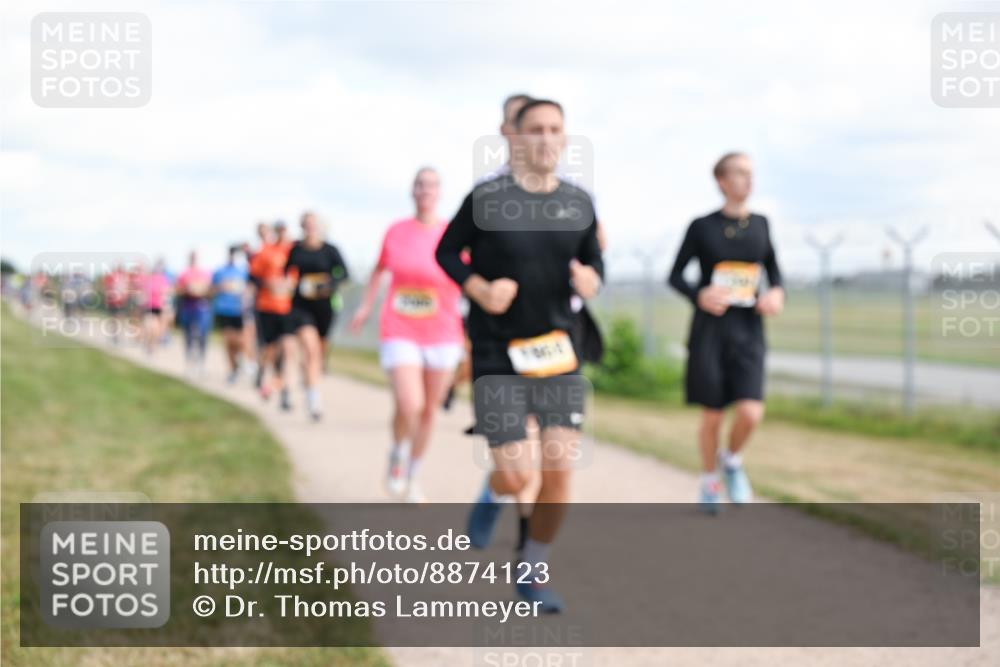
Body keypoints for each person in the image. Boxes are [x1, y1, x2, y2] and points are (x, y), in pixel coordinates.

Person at [436, 99, 603, 612]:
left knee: (558, 474)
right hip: (496, 353)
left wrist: (592, 279)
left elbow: (594, 263)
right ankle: (494, 492)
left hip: (557, 354)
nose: (546, 138)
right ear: (513, 136)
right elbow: (446, 253)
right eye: (535, 129)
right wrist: (479, 288)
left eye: (556, 129)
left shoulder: (579, 202)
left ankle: (531, 567)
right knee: (516, 474)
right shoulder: (486, 198)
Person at [667, 152, 784, 515]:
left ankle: (731, 460)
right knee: (713, 416)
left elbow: (774, 273)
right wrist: (698, 294)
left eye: (752, 174)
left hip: (748, 329)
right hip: (711, 330)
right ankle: (708, 480)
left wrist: (776, 293)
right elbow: (674, 276)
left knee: (750, 412)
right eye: (741, 174)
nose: (749, 181)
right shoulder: (702, 227)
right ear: (721, 180)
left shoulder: (762, 224)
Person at [350, 167, 465, 503]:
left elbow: (470, 276)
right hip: (400, 327)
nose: (425, 191)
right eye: (420, 185)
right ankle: (398, 453)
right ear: (412, 191)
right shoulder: (396, 231)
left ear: (440, 192)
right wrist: (366, 306)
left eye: (431, 185)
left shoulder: (453, 233)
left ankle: (414, 475)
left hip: (443, 332)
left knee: (429, 410)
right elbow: (378, 270)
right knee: (409, 403)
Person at [285, 212, 349, 420]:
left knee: (317, 354)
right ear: (302, 227)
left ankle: (309, 382)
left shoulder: (330, 250)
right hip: (301, 307)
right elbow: (286, 272)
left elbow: (344, 273)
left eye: (314, 225)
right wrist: (288, 283)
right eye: (307, 225)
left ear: (320, 227)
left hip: (324, 307)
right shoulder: (295, 250)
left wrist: (331, 283)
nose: (310, 228)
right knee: (310, 348)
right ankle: (314, 400)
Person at [249, 221, 296, 409]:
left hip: (290, 309)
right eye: (279, 231)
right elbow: (253, 276)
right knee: (270, 349)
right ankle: (263, 371)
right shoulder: (265, 251)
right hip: (267, 306)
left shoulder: (295, 252)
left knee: (287, 350)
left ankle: (284, 392)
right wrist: (268, 284)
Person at [212, 245, 250, 383]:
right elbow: (212, 289)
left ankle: (240, 360)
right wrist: (221, 287)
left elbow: (248, 289)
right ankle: (233, 369)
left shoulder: (243, 271)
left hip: (239, 310)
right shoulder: (220, 271)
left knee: (241, 340)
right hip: (224, 308)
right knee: (228, 341)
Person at [176, 251, 213, 377]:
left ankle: (201, 363)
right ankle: (189, 363)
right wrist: (187, 289)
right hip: (187, 308)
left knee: (202, 336)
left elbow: (209, 290)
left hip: (201, 309)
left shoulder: (205, 273)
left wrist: (201, 290)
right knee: (188, 336)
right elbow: (178, 290)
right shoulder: (184, 274)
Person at [141, 259, 172, 355]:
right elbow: (144, 293)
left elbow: (166, 294)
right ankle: (149, 344)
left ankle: (153, 346)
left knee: (156, 328)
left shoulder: (163, 280)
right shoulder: (149, 280)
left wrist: (166, 306)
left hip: (159, 307)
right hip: (149, 306)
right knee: (149, 326)